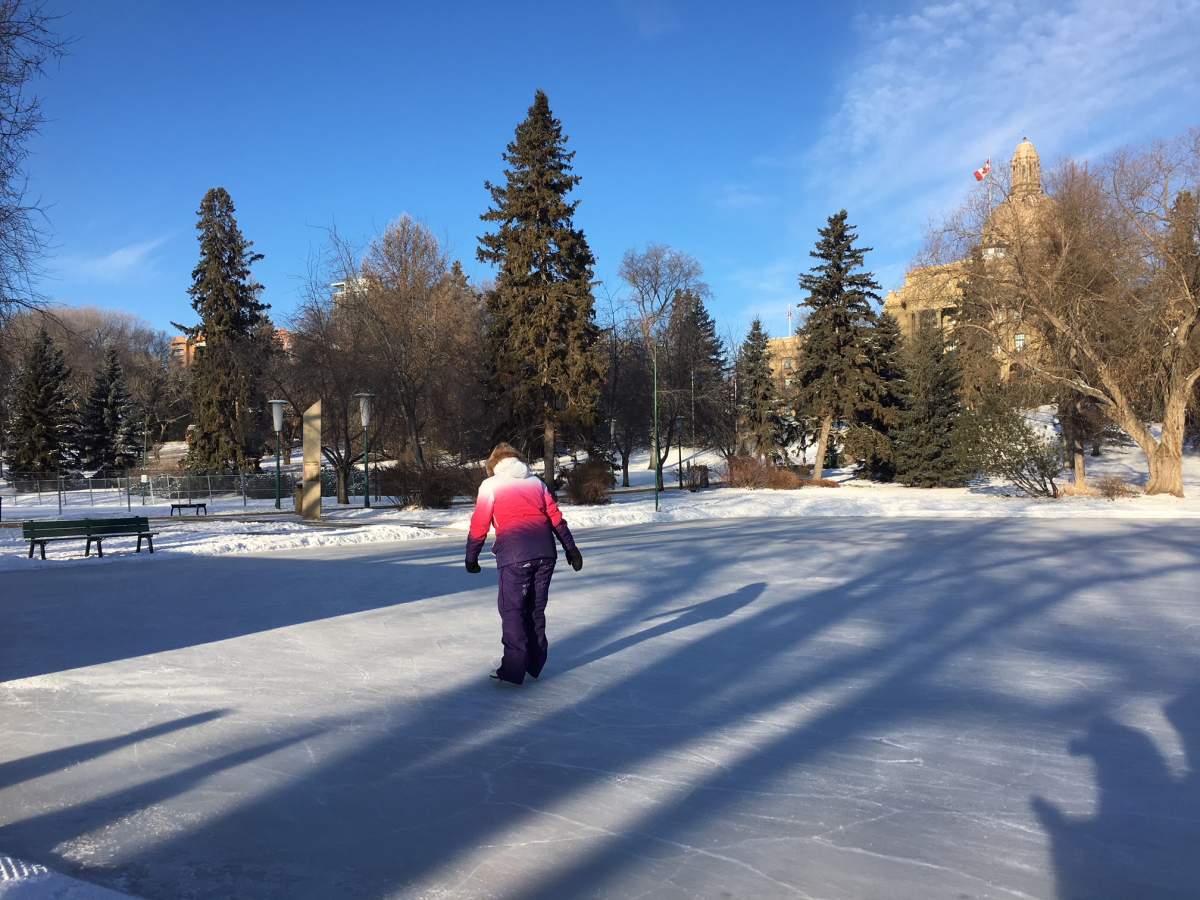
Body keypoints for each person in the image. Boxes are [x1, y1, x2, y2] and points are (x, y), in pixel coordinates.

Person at [465, 443, 583, 684]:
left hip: (515, 556)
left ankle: (513, 668)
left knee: (512, 610)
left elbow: (479, 525)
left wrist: (471, 557)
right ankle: (535, 663)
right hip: (545, 554)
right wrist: (571, 548)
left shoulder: (491, 486)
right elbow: (555, 518)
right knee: (535, 609)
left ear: (493, 465)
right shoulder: (536, 483)